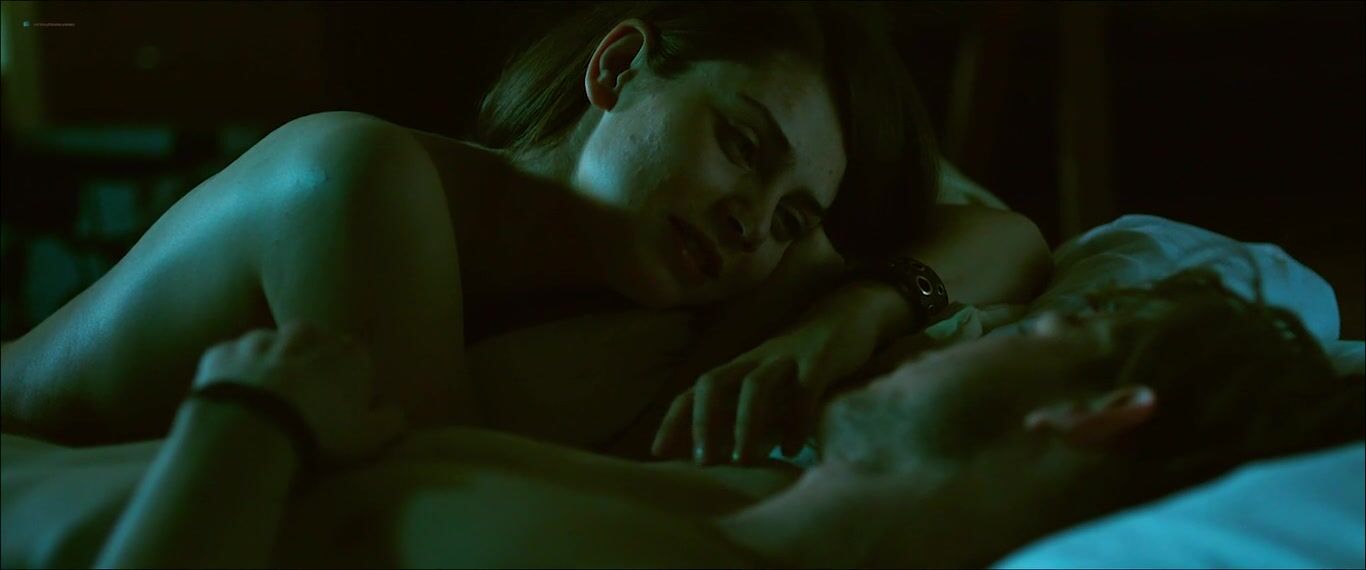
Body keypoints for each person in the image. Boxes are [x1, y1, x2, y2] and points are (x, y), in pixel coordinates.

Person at [0, 2, 1051, 464]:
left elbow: (1004, 235)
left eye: (790, 217)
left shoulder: (630, 284)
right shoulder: (359, 176)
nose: (751, 222)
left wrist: (855, 312)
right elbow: (445, 505)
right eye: (741, 144)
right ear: (616, 68)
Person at [5, 269, 1356, 568]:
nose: (975, 324)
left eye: (1035, 330)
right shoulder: (741, 502)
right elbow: (976, 222)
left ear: (1101, 412)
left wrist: (247, 416)